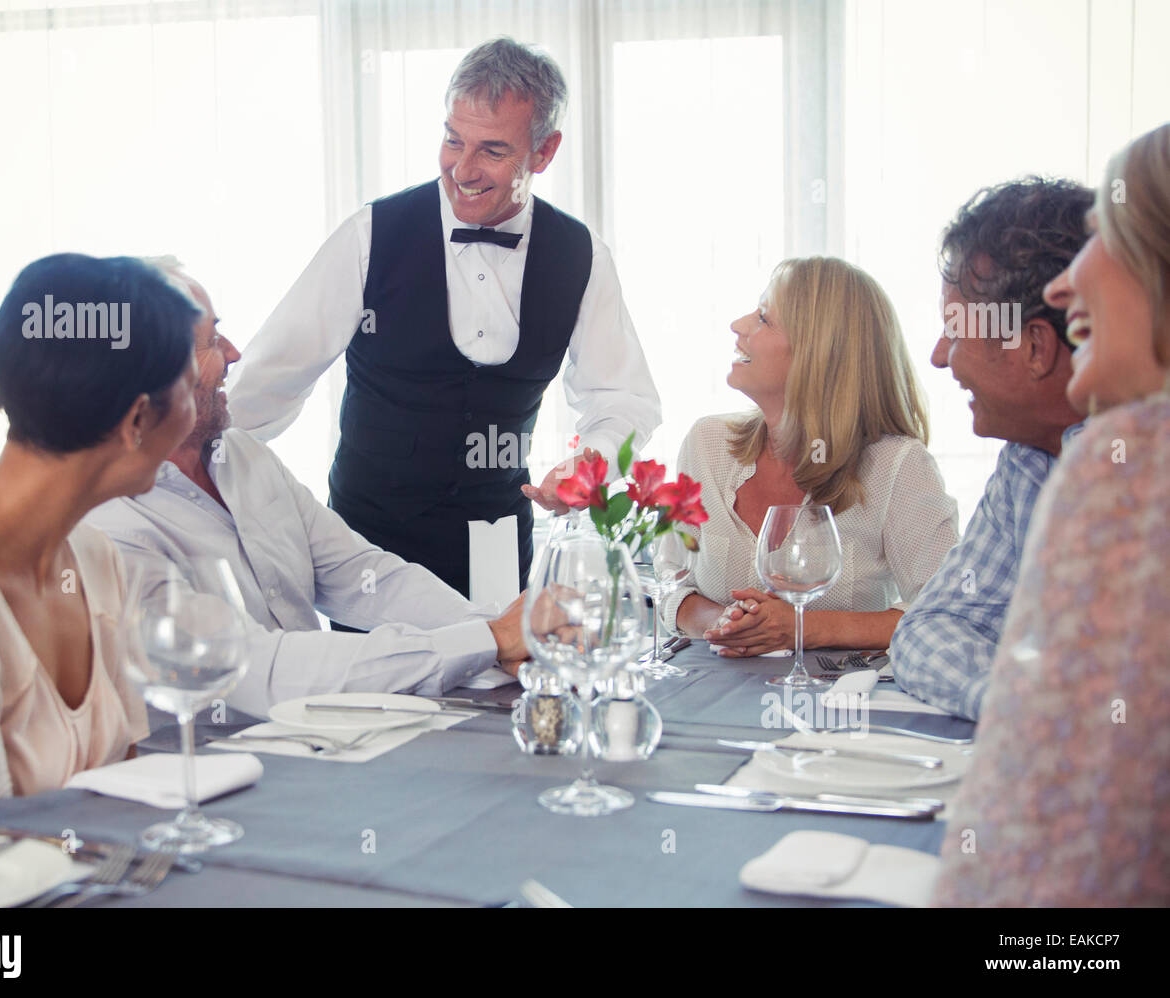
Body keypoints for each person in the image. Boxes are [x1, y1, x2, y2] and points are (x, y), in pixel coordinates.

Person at [226, 37, 661, 603]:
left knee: (500, 690)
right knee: (372, 694)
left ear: (544, 152)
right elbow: (272, 376)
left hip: (496, 546)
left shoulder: (581, 255)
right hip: (368, 552)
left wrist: (590, 463)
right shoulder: (371, 235)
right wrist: (181, 471)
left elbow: (623, 398)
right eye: (453, 140)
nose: (463, 168)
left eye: (492, 151)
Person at [86, 263, 530, 719]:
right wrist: (490, 640)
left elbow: (362, 575)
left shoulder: (245, 456)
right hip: (208, 767)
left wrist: (499, 634)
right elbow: (259, 673)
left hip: (319, 740)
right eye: (212, 342)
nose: (235, 354)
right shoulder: (105, 523)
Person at [0, 254, 200, 845]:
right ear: (137, 419)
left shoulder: (95, 561)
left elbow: (119, 799)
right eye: (190, 388)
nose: (196, 411)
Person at [932, 123, 1170, 906]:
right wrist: (1035, 694)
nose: (1070, 286)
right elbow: (931, 627)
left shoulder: (1127, 467)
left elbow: (1060, 852)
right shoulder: (1037, 459)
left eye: (1107, 237)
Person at [660, 257, 958, 654]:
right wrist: (723, 624)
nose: (739, 325)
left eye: (764, 318)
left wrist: (803, 628)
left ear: (818, 352)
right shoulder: (706, 444)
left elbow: (946, 615)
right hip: (715, 698)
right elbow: (671, 581)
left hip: (840, 708)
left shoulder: (898, 466)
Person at [888, 178, 1092, 719]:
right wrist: (1024, 708)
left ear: (1033, 347)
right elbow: (932, 625)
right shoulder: (1029, 460)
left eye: (954, 329)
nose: (937, 356)